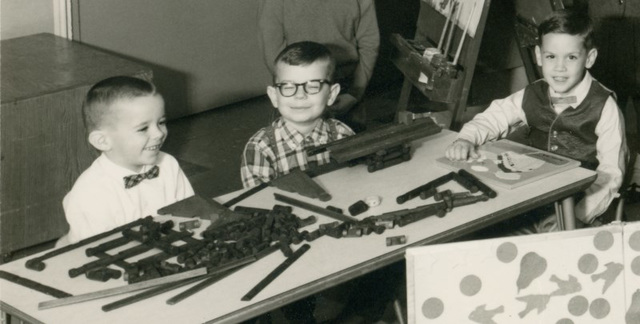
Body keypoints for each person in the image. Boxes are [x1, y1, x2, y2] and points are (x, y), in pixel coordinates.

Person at [445, 9, 627, 231]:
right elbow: (494, 116)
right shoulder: (532, 93)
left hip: (575, 203)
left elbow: (611, 174)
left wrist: (579, 215)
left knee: (553, 251)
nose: (560, 67)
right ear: (539, 56)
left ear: (589, 58)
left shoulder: (605, 106)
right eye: (551, 56)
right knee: (482, 229)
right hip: (531, 194)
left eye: (571, 57)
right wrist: (466, 139)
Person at [58, 76, 194, 246]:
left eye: (161, 122)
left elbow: (189, 214)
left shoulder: (168, 164)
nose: (158, 134)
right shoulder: (90, 193)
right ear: (103, 141)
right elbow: (98, 252)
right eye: (143, 128)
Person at [241, 41, 355, 189]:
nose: (300, 95)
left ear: (331, 95)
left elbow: (356, 183)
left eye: (313, 86)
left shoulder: (343, 135)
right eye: (288, 87)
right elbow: (259, 203)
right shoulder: (260, 149)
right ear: (274, 96)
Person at [257, 0, 380, 131]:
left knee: (352, 146)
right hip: (298, 91)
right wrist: (298, 89)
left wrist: (355, 92)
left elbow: (369, 43)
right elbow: (272, 50)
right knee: (291, 146)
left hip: (346, 89)